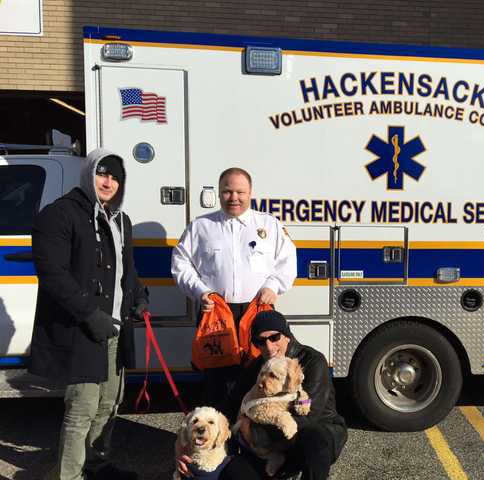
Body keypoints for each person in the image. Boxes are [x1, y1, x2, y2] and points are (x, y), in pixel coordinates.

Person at [30, 149, 148, 480]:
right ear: (89, 174)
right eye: (103, 173)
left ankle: (96, 466)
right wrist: (88, 313)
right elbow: (52, 273)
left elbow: (129, 271)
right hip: (81, 330)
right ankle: (67, 475)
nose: (109, 182)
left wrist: (139, 295)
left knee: (110, 403)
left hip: (115, 329)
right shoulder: (60, 214)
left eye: (116, 176)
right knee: (83, 407)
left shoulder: (121, 220)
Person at [171, 167, 297, 408]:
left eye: (240, 192)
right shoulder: (201, 226)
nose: (234, 197)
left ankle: (251, 440)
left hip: (257, 313)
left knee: (259, 378)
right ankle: (217, 441)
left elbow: (287, 261)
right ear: (219, 193)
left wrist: (273, 286)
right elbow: (180, 264)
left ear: (250, 193)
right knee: (216, 382)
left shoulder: (269, 225)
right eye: (227, 192)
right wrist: (200, 291)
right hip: (216, 314)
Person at [176, 310, 348, 480]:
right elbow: (228, 407)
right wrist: (186, 444)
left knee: (315, 436)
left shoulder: (312, 361)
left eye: (274, 338)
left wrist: (252, 433)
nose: (269, 347)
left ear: (287, 335)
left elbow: (309, 416)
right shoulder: (256, 367)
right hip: (267, 447)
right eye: (261, 341)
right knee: (232, 471)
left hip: (305, 438)